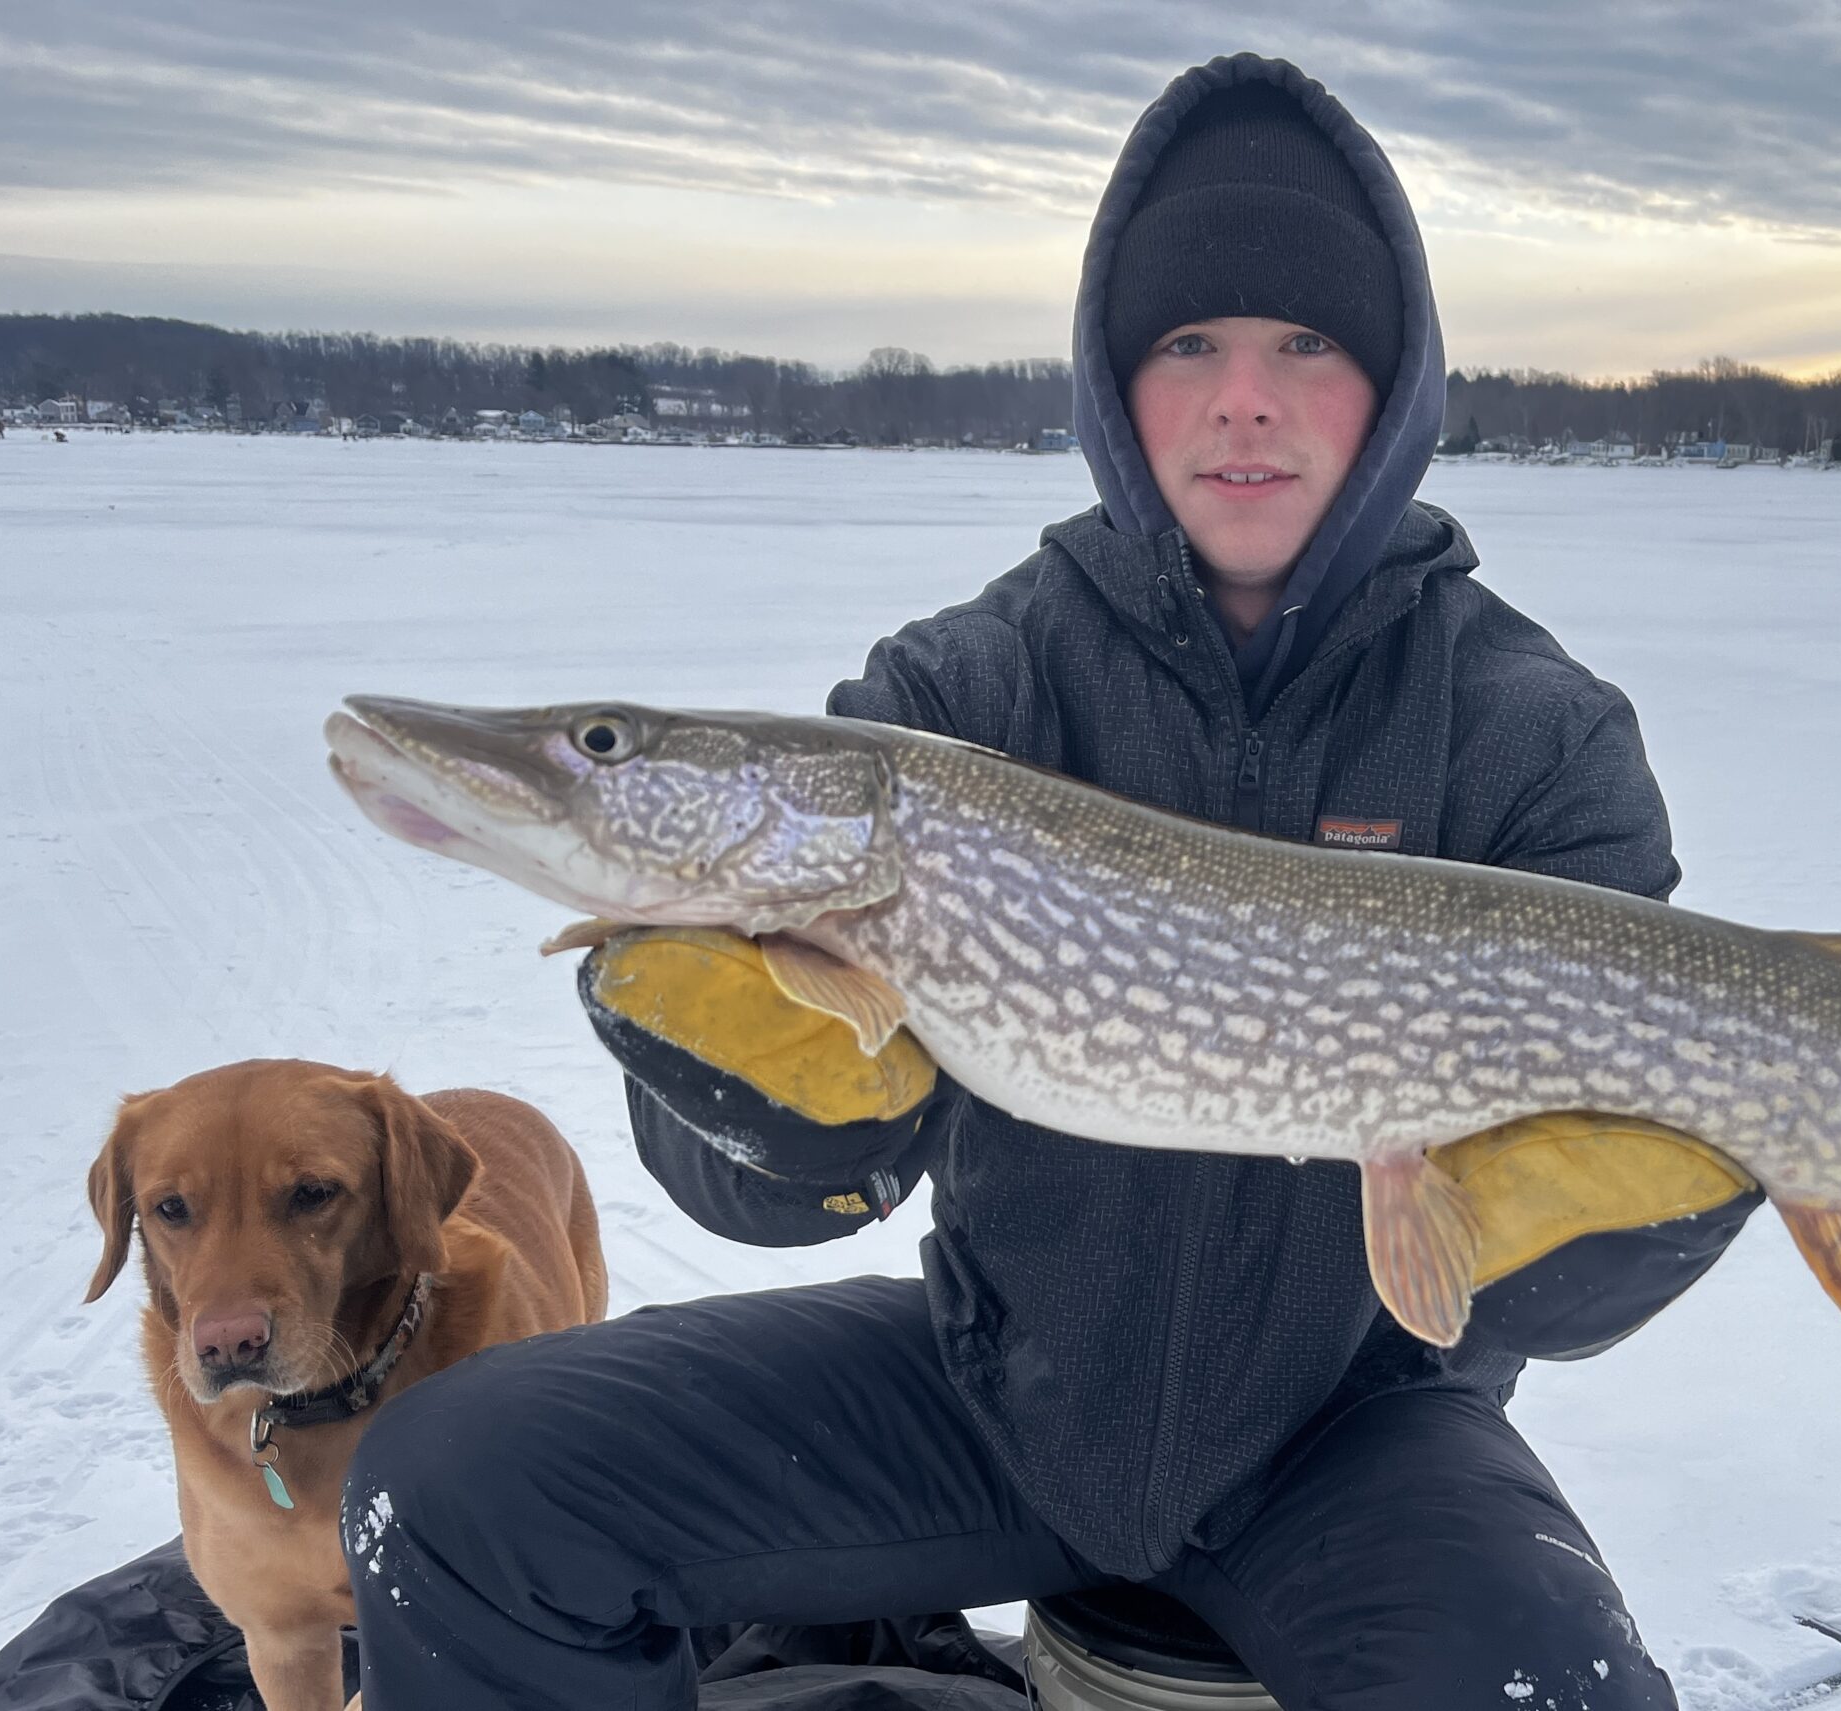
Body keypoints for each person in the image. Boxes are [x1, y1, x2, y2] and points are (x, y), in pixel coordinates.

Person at [344, 53, 1763, 1709]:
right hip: (993, 1387)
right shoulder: (961, 695)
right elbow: (763, 1196)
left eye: (1307, 342)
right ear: (1113, 381)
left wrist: (1616, 1228)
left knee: (1555, 1689)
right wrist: (784, 1116)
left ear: (1395, 387)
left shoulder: (1534, 735)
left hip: (1361, 1433)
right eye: (1189, 345)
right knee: (452, 1489)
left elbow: (1577, 1275)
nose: (1247, 397)